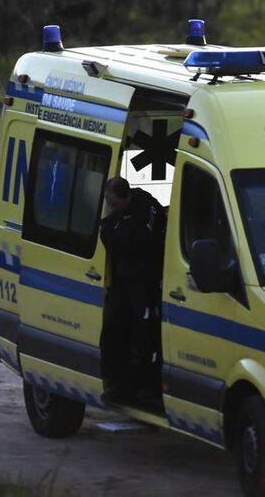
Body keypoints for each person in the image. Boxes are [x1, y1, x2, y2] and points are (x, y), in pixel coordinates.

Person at [99, 176, 166, 410]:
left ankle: (141, 387)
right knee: (114, 330)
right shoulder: (128, 210)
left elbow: (122, 243)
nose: (111, 209)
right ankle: (118, 383)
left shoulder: (143, 210)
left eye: (114, 205)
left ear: (126, 197)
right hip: (124, 282)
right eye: (108, 204)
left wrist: (108, 223)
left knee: (143, 336)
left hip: (144, 283)